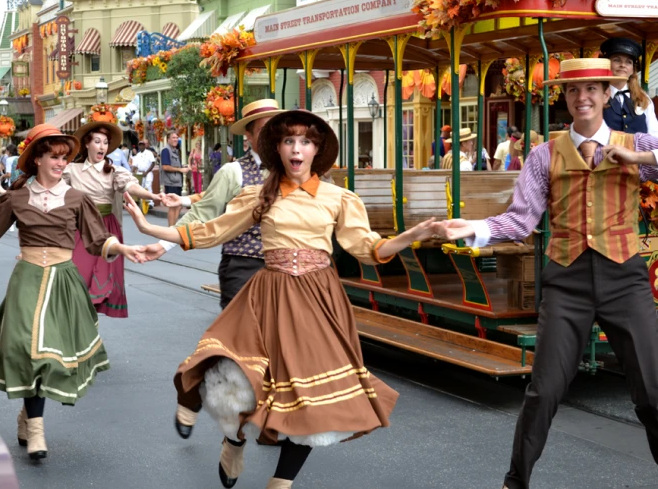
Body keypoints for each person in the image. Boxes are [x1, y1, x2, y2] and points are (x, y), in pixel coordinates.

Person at [125, 110, 437, 488]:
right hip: (269, 297)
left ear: (316, 150)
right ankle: (234, 438)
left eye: (305, 141)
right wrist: (152, 231)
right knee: (242, 377)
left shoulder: (340, 198)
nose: (297, 148)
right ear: (278, 148)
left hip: (319, 301)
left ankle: (281, 483)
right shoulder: (259, 194)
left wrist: (412, 234)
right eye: (289, 140)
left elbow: (367, 247)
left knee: (310, 392)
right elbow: (211, 230)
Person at [433, 58, 658, 489]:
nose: (583, 97)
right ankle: (514, 482)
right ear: (565, 98)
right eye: (574, 91)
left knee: (652, 393)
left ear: (608, 94)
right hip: (567, 282)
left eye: (592, 88)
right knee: (544, 391)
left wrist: (637, 155)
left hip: (624, 280)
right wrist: (476, 228)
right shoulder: (544, 155)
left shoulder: (637, 142)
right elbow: (521, 220)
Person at [0, 124, 146, 462]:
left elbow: (99, 240)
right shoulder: (17, 197)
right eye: (54, 157)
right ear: (36, 158)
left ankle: (29, 418)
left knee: (45, 353)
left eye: (64, 158)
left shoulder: (76, 198)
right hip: (26, 278)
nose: (61, 163)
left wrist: (125, 250)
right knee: (27, 348)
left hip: (62, 281)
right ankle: (37, 427)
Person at [143, 99, 284, 437]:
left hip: (283, 271)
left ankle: (270, 424)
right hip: (242, 267)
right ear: (248, 136)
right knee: (235, 347)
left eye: (277, 130)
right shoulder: (233, 172)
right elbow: (204, 214)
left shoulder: (295, 170)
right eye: (264, 130)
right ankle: (193, 395)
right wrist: (163, 245)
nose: (274, 137)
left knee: (278, 348)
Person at [63, 121, 162, 318]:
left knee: (101, 277)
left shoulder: (114, 171)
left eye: (105, 143)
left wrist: (152, 196)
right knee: (78, 276)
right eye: (97, 141)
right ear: (87, 144)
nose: (102, 146)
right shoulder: (72, 170)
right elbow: (51, 188)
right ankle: (80, 322)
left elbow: (130, 187)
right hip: (80, 227)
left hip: (105, 227)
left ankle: (88, 324)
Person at [600, 37, 658, 136]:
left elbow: (655, 136)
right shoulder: (597, 96)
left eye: (628, 62)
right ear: (607, 64)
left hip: (640, 151)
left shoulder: (644, 99)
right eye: (617, 60)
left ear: (632, 70)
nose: (623, 65)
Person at [160, 131, 190, 226]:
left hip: (177, 182)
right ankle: (171, 228)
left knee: (179, 205)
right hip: (171, 182)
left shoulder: (176, 150)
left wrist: (184, 167)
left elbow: (175, 165)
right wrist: (180, 170)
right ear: (168, 139)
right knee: (173, 206)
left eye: (177, 138)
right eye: (173, 138)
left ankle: (174, 227)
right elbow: (165, 167)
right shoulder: (166, 150)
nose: (175, 139)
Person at [130, 139, 156, 208]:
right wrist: (131, 172)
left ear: (145, 146)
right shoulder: (138, 155)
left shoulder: (149, 153)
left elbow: (153, 163)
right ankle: (142, 203)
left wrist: (147, 172)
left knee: (148, 186)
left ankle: (150, 203)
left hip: (148, 172)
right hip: (140, 173)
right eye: (140, 145)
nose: (141, 146)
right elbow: (134, 165)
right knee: (141, 188)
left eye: (142, 145)